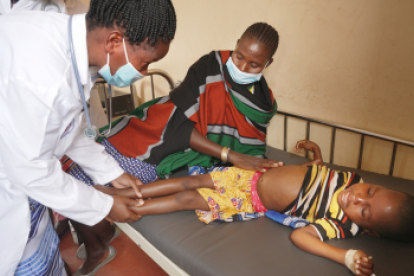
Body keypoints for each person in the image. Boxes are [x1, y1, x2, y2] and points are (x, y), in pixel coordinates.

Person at [0, 0, 176, 275]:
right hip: (11, 192)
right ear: (114, 41)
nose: (143, 73)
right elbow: (30, 170)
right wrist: (105, 205)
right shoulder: (40, 76)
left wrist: (111, 172)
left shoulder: (72, 46)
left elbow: (69, 128)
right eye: (145, 63)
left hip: (26, 190)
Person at [96, 140, 414, 276]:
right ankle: (123, 193)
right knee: (188, 183)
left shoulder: (340, 222)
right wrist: (317, 155)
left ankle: (133, 209)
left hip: (249, 198)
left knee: (186, 200)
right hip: (248, 174)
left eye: (365, 211)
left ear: (368, 229)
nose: (356, 199)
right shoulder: (350, 178)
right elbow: (318, 173)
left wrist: (344, 256)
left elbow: (302, 238)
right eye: (369, 191)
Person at [93, 22, 282, 180]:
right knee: (108, 170)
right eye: (239, 56)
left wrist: (245, 160)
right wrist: (230, 155)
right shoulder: (210, 67)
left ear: (269, 63)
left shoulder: (263, 100)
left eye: (254, 64)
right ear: (237, 43)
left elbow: (251, 144)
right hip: (164, 130)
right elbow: (179, 124)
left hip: (209, 153)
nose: (242, 67)